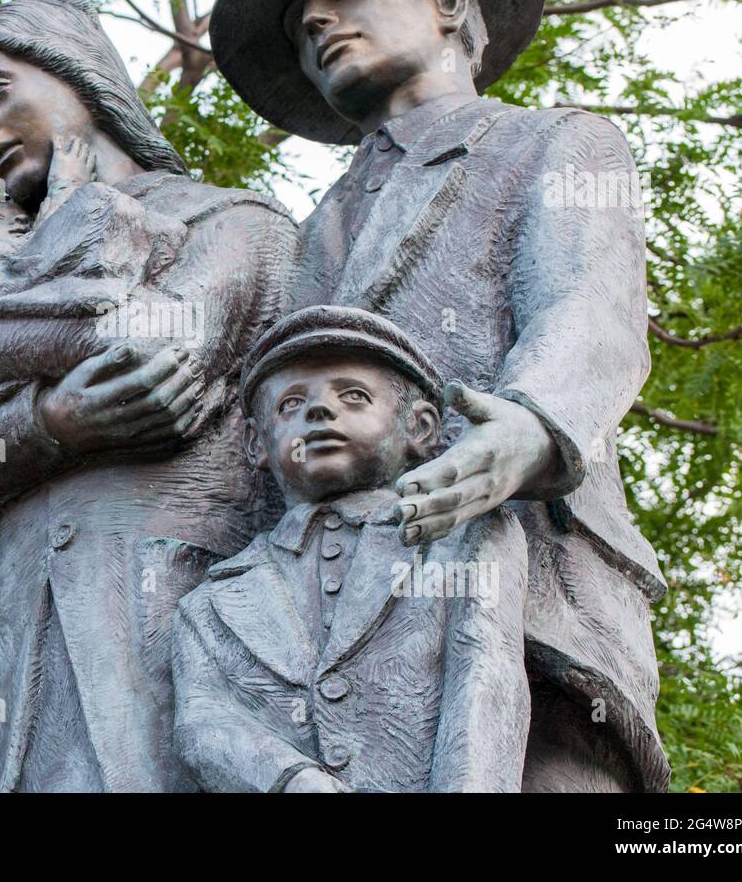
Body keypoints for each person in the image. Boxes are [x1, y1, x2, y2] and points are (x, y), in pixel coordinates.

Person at [208, 0, 668, 791]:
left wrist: (535, 425)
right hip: (330, 641)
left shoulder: (554, 141)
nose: (317, 24)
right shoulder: (312, 231)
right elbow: (251, 442)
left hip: (536, 586)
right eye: (304, 29)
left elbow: (589, 304)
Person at [0, 0, 296, 791]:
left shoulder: (236, 224)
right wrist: (49, 421)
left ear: (79, 76)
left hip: (184, 639)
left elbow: (149, 352)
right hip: (21, 679)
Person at [173, 305, 530, 793]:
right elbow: (204, 723)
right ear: (256, 445)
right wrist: (292, 781)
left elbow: (485, 683)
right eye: (290, 404)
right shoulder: (210, 601)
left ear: (420, 428)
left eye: (355, 396)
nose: (318, 411)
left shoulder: (464, 540)